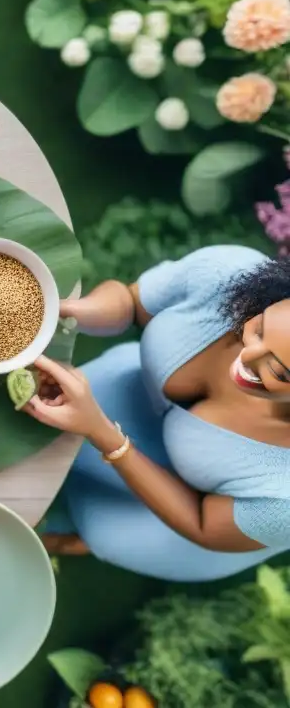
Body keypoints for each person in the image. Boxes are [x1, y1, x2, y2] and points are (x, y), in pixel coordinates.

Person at [26, 245, 290, 582]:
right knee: (41, 431)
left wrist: (103, 434)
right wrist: (74, 312)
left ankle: (73, 541)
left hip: (189, 514)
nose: (247, 357)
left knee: (102, 530)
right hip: (136, 395)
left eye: (279, 373)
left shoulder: (285, 499)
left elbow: (202, 524)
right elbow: (132, 302)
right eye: (259, 330)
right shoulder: (231, 275)